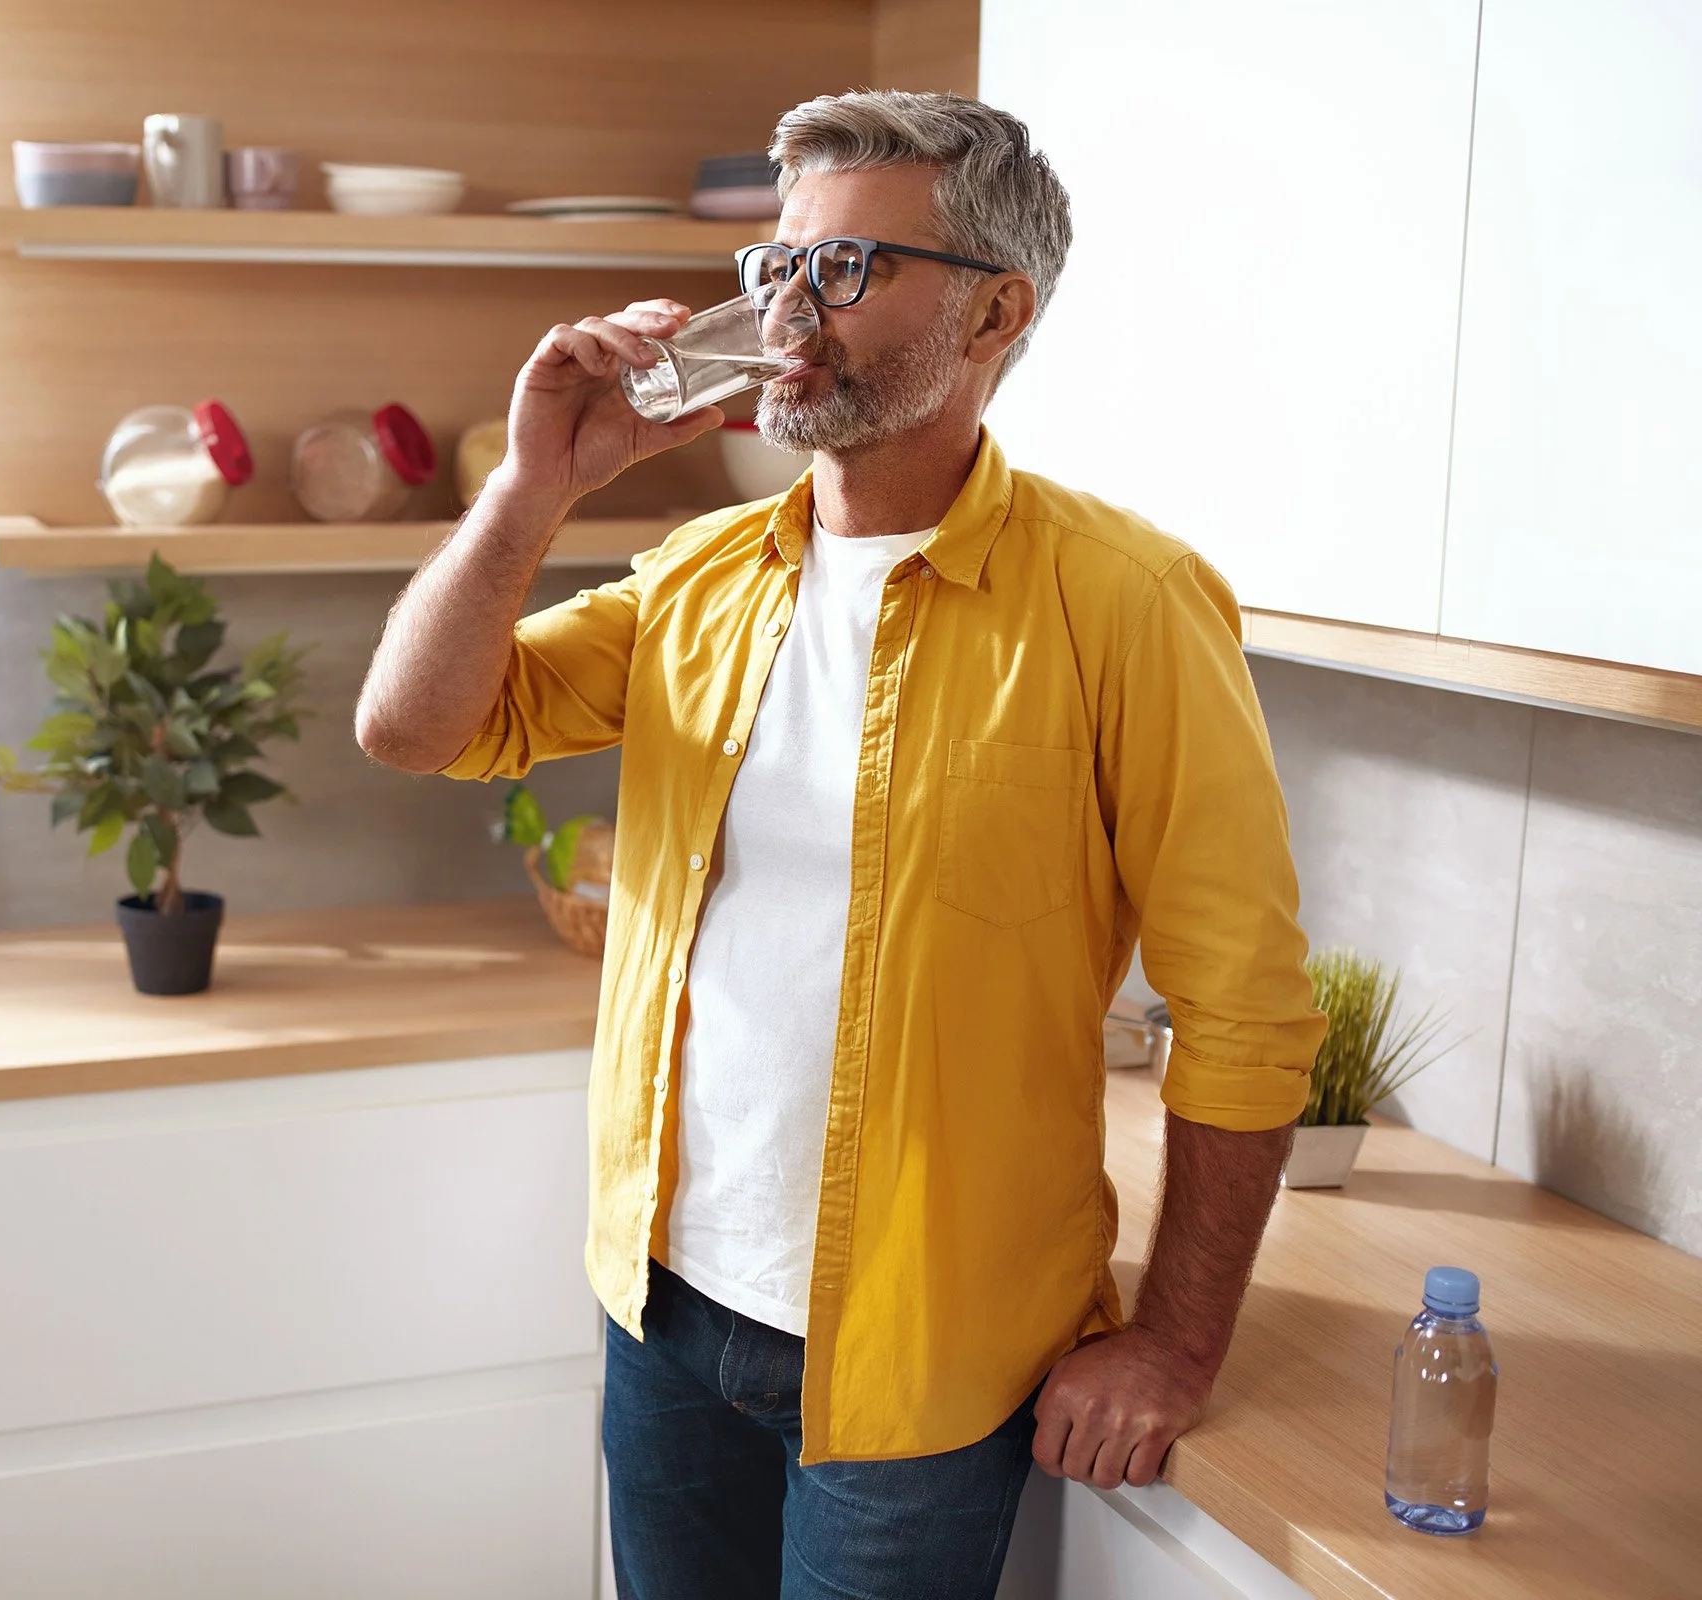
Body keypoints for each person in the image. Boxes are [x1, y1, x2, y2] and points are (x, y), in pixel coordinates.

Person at [355, 89, 1326, 1600]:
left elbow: (1248, 1010)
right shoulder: (700, 577)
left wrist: (1174, 1343)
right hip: (664, 1310)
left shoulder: (1127, 602)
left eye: (849, 269)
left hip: (929, 1358)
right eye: (775, 267)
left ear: (996, 311)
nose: (790, 309)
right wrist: (529, 490)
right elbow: (414, 728)